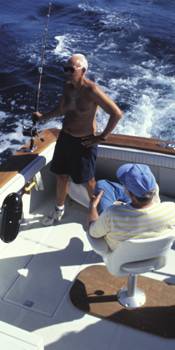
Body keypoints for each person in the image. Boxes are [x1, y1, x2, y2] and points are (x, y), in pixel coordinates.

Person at [32, 53, 123, 226]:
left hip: (84, 142)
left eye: (71, 69)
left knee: (88, 181)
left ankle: (98, 213)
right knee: (61, 176)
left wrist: (102, 137)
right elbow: (62, 108)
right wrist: (42, 118)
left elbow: (116, 113)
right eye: (66, 69)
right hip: (65, 138)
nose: (67, 72)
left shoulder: (92, 90)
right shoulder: (67, 87)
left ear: (83, 71)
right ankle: (59, 209)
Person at [86, 163, 175, 250]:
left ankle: (128, 202)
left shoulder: (111, 215)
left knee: (102, 184)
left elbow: (93, 232)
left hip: (120, 255)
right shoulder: (173, 209)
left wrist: (93, 206)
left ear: (128, 192)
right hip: (153, 252)